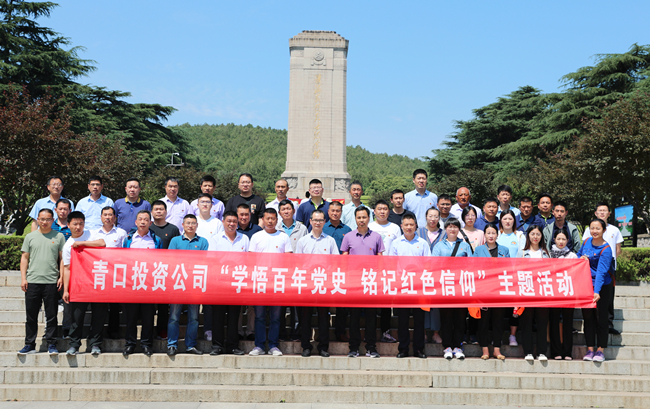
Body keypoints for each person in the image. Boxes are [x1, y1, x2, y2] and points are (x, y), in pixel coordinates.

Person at [18, 209, 66, 355]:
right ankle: (29, 344)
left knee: (51, 315)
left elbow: (62, 259)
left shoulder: (59, 236)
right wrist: (23, 278)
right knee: (31, 315)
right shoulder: (30, 237)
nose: (44, 222)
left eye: (48, 219)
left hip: (51, 281)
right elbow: (24, 258)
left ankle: (51, 344)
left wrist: (61, 277)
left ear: (53, 220)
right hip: (32, 281)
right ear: (38, 219)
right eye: (42, 219)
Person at [60, 211, 107, 355]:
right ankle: (74, 345)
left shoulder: (90, 234)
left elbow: (102, 243)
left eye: (81, 223)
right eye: (75, 224)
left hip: (97, 281)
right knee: (77, 317)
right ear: (68, 225)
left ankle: (95, 344)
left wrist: (82, 243)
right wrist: (66, 290)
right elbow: (67, 269)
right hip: (79, 285)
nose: (78, 227)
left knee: (99, 315)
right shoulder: (67, 245)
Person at [295, 210, 339, 357]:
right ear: (310, 221)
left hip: (323, 284)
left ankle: (323, 347)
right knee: (305, 317)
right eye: (315, 220)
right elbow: (298, 263)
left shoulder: (330, 241)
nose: (318, 223)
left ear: (324, 222)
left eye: (320, 220)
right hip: (307, 284)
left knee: (323, 317)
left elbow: (335, 262)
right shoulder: (303, 241)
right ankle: (306, 346)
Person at [248, 209, 292, 356]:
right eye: (268, 218)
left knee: (276, 317)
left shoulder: (283, 237)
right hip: (260, 281)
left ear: (277, 220)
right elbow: (251, 259)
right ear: (263, 219)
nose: (270, 221)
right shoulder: (256, 236)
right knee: (259, 316)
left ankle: (273, 345)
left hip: (277, 281)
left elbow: (289, 258)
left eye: (273, 218)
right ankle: (259, 345)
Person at [341, 207, 384, 358]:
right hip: (354, 283)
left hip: (371, 282)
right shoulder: (348, 236)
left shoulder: (377, 237)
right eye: (359, 217)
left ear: (369, 218)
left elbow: (380, 259)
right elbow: (344, 259)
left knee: (371, 317)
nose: (361, 220)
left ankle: (371, 347)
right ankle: (354, 347)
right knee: (354, 317)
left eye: (364, 217)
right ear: (355, 219)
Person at [166, 214, 209, 356]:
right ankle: (172, 344)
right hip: (177, 283)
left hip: (194, 284)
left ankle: (191, 345)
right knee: (174, 317)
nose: (190, 225)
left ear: (197, 225)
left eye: (193, 223)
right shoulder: (175, 241)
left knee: (194, 317)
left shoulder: (203, 242)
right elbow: (171, 261)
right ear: (183, 225)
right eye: (188, 223)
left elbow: (203, 262)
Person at [122, 210, 163, 357]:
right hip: (131, 282)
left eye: (146, 219)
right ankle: (130, 344)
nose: (143, 222)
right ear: (136, 222)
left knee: (148, 316)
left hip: (149, 283)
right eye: (140, 219)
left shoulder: (156, 240)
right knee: (131, 316)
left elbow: (160, 260)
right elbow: (123, 258)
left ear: (150, 223)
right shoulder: (128, 239)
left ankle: (146, 344)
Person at [389, 213, 429, 358]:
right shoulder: (396, 243)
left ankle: (419, 349)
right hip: (402, 286)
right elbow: (392, 264)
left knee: (419, 320)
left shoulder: (423, 243)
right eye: (406, 225)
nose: (409, 227)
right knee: (403, 320)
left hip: (419, 286)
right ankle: (403, 349)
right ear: (401, 226)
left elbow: (428, 264)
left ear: (416, 226)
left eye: (411, 224)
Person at [207, 211, 248, 356]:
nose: (231, 224)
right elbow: (211, 260)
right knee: (218, 315)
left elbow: (248, 260)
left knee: (234, 316)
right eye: (229, 221)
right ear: (223, 222)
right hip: (219, 283)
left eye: (234, 222)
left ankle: (232, 346)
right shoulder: (215, 239)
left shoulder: (244, 238)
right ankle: (217, 346)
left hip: (237, 282)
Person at [432, 218, 472, 359]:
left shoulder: (464, 245)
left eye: (455, 227)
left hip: (461, 287)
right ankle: (447, 346)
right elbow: (434, 265)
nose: (452, 229)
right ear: (445, 229)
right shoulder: (439, 246)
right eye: (449, 227)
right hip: (445, 286)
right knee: (446, 317)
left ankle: (458, 346)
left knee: (460, 318)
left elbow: (471, 264)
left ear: (458, 229)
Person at [582, 202, 624, 335]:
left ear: (609, 214)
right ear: (595, 213)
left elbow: (618, 249)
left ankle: (608, 324)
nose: (602, 212)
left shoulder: (614, 230)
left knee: (608, 298)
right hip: (592, 267)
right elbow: (584, 248)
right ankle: (595, 324)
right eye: (599, 210)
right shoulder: (589, 230)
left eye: (604, 210)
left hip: (608, 266)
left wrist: (608, 262)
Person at [578, 218, 614, 362]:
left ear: (604, 230)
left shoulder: (606, 249)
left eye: (598, 228)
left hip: (602, 287)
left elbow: (601, 272)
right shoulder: (586, 241)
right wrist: (581, 257)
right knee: (588, 318)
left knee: (601, 318)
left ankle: (600, 350)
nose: (594, 231)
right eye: (592, 228)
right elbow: (578, 255)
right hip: (586, 285)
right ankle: (590, 349)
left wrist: (597, 291)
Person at [90, 206, 128, 339]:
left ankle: (113, 330)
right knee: (98, 304)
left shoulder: (121, 233)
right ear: (101, 217)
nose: (108, 217)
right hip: (99, 272)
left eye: (110, 215)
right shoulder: (94, 233)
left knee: (114, 305)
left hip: (115, 273)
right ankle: (95, 331)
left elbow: (126, 252)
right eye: (105, 215)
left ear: (115, 218)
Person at [473, 223, 509, 360]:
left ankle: (497, 349)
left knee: (498, 320)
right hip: (484, 290)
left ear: (497, 235)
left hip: (500, 290)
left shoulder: (504, 250)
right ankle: (485, 349)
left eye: (493, 233)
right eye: (488, 233)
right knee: (484, 321)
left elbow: (508, 268)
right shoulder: (479, 250)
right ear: (484, 235)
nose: (491, 235)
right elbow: (474, 269)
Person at [368, 199, 401, 343]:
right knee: (371, 303)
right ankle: (370, 333)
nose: (382, 211)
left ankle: (385, 332)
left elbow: (398, 248)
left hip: (388, 270)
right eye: (379, 209)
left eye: (385, 209)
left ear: (389, 211)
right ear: (374, 211)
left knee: (386, 304)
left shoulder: (395, 228)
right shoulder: (369, 226)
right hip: (371, 271)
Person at [517, 225, 550, 362]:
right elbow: (517, 272)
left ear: (541, 236)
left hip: (542, 292)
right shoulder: (522, 253)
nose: (535, 237)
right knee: (527, 323)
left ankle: (542, 352)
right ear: (528, 236)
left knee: (542, 323)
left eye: (538, 234)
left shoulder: (546, 253)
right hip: (527, 291)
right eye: (532, 234)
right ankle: (528, 351)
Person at [149, 200, 181, 340]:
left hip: (166, 271)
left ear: (166, 212)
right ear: (152, 212)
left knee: (163, 304)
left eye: (161, 209)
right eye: (156, 209)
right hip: (149, 271)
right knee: (149, 305)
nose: (158, 211)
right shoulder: (148, 228)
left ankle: (162, 330)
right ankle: (148, 331)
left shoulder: (173, 229)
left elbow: (177, 249)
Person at [276, 199, 307, 341]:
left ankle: (296, 333)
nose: (286, 211)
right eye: (283, 209)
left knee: (296, 305)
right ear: (279, 212)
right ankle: (281, 333)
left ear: (294, 211)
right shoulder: (276, 227)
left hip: (297, 271)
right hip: (279, 272)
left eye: (288, 209)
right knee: (280, 306)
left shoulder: (302, 228)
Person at [322, 200, 352, 342]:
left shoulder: (347, 230)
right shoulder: (322, 227)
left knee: (342, 305)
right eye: (332, 211)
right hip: (323, 272)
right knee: (323, 305)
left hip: (342, 272)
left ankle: (340, 332)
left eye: (338, 211)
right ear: (328, 212)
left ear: (341, 212)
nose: (335, 213)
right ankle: (323, 333)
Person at [416, 207, 445, 344]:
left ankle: (435, 333)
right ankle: (422, 332)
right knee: (421, 304)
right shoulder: (418, 232)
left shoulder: (444, 233)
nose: (433, 219)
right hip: (421, 274)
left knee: (436, 305)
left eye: (436, 216)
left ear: (439, 218)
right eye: (430, 216)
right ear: (426, 217)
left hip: (439, 274)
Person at [549, 229, 578, 360]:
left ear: (568, 240)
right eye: (558, 239)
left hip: (568, 291)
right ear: (554, 239)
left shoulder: (572, 256)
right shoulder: (548, 254)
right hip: (552, 292)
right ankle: (555, 352)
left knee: (568, 321)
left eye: (564, 239)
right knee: (554, 321)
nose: (561, 242)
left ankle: (567, 352)